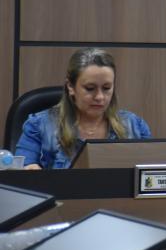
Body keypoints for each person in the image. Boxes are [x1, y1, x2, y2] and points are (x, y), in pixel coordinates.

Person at [15, 48, 151, 169]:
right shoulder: (38, 126)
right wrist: (28, 170)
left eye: (106, 88)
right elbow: (22, 173)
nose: (99, 97)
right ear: (70, 86)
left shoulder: (135, 126)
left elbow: (151, 176)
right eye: (90, 88)